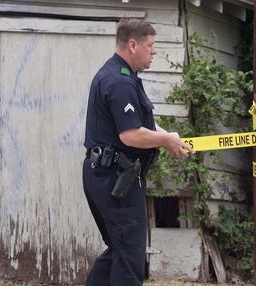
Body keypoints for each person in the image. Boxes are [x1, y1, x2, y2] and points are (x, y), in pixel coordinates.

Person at [82, 18, 193, 286]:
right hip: (115, 179)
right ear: (133, 45)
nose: (154, 52)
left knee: (120, 251)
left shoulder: (120, 75)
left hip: (107, 175)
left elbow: (140, 125)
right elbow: (130, 136)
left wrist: (167, 137)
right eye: (150, 45)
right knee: (130, 258)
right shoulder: (119, 82)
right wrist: (165, 140)